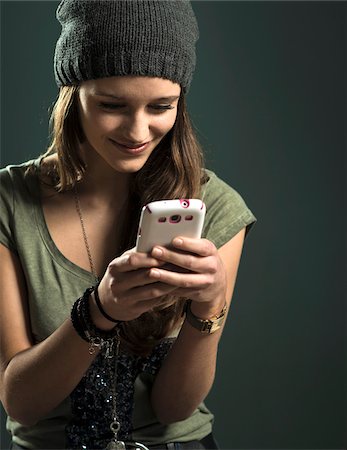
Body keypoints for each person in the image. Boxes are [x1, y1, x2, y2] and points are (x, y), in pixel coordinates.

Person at [0, 1, 256, 449]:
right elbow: (20, 402)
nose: (138, 131)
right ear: (72, 93)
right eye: (112, 105)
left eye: (162, 106)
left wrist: (209, 307)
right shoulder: (9, 201)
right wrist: (99, 312)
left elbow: (176, 410)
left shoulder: (214, 206)